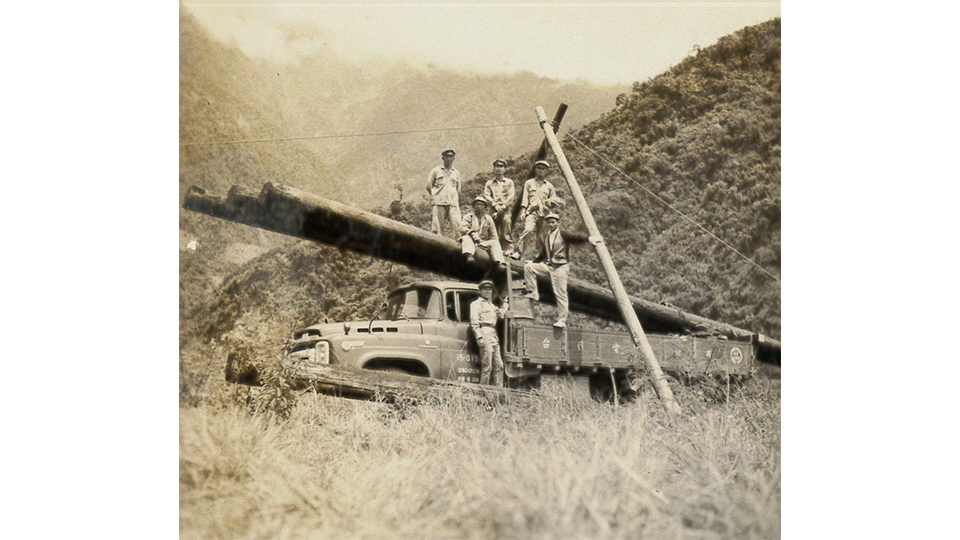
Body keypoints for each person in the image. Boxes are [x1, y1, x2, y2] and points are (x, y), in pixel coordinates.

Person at [523, 212, 569, 328]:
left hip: (560, 267)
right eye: (549, 222)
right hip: (548, 266)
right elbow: (544, 253)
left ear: (558, 223)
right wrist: (534, 262)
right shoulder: (547, 236)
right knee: (528, 267)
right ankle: (533, 292)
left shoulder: (563, 234)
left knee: (560, 294)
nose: (551, 224)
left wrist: (590, 239)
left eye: (553, 222)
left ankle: (562, 320)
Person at [516, 160, 557, 259]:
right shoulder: (529, 183)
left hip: (545, 213)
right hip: (532, 212)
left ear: (546, 171)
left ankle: (537, 257)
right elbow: (525, 198)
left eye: (543, 168)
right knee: (528, 230)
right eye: (539, 168)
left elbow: (554, 201)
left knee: (541, 236)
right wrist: (523, 211)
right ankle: (518, 252)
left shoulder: (549, 186)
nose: (541, 170)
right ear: (535, 170)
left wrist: (549, 203)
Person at [470, 279, 509, 386]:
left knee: (499, 365)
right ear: (480, 291)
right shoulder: (476, 304)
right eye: (485, 289)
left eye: (489, 289)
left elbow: (501, 314)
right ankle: (483, 392)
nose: (488, 292)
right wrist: (479, 337)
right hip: (485, 332)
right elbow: (474, 322)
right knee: (487, 366)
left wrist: (505, 303)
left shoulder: (491, 305)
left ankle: (498, 392)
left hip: (493, 334)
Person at [483, 158, 516, 255]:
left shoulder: (509, 182)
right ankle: (492, 248)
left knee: (506, 224)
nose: (499, 168)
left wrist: (503, 206)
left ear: (504, 169)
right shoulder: (489, 183)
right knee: (491, 227)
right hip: (493, 209)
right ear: (494, 168)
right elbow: (487, 195)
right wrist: (495, 205)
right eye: (497, 166)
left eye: (501, 166)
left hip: (505, 209)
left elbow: (511, 196)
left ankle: (508, 249)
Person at [426, 149, 462, 238]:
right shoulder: (436, 171)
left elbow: (458, 188)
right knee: (437, 229)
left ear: (454, 159)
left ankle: (457, 248)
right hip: (439, 202)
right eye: (447, 156)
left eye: (451, 156)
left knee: (457, 226)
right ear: (443, 158)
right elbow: (428, 186)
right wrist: (435, 196)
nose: (449, 158)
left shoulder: (456, 173)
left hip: (452, 203)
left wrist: (453, 197)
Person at [459, 195, 504, 264]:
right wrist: (472, 233)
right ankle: (469, 255)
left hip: (482, 242)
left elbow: (493, 235)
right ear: (474, 206)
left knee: (494, 242)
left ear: (485, 208)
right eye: (477, 204)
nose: (479, 206)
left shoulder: (488, 219)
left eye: (481, 205)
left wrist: (498, 249)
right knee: (466, 238)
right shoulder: (468, 217)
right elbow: (462, 228)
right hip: (470, 241)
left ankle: (499, 262)